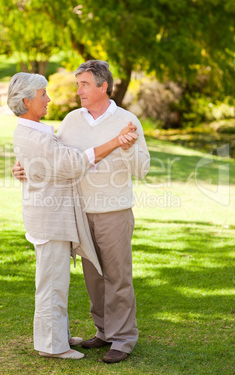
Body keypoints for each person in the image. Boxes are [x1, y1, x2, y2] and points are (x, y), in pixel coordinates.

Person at [13, 60, 150, 363]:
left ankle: (123, 339)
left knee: (118, 277)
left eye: (84, 84)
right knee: (94, 277)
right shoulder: (73, 120)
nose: (77, 91)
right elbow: (57, 157)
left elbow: (142, 169)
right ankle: (103, 331)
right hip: (78, 212)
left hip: (114, 211)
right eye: (77, 84)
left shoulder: (127, 120)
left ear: (103, 86)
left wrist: (127, 147)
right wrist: (25, 167)